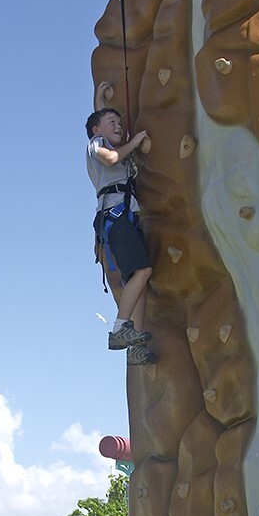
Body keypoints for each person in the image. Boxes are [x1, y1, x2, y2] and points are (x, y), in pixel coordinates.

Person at [86, 82, 156, 366]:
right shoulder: (96, 145)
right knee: (143, 271)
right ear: (96, 131)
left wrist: (101, 100)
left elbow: (100, 121)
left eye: (119, 121)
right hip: (115, 217)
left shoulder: (103, 137)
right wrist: (136, 141)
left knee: (137, 282)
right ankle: (120, 328)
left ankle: (135, 343)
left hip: (124, 217)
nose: (117, 125)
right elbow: (112, 156)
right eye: (110, 122)